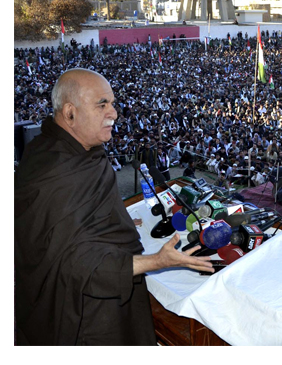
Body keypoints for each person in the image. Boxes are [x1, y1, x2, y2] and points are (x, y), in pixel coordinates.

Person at [14, 68, 214, 345]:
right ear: (70, 113)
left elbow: (81, 214)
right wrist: (158, 261)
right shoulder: (55, 170)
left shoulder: (70, 147)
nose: (114, 113)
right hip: (85, 311)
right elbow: (77, 266)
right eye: (102, 104)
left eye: (113, 103)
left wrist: (117, 218)